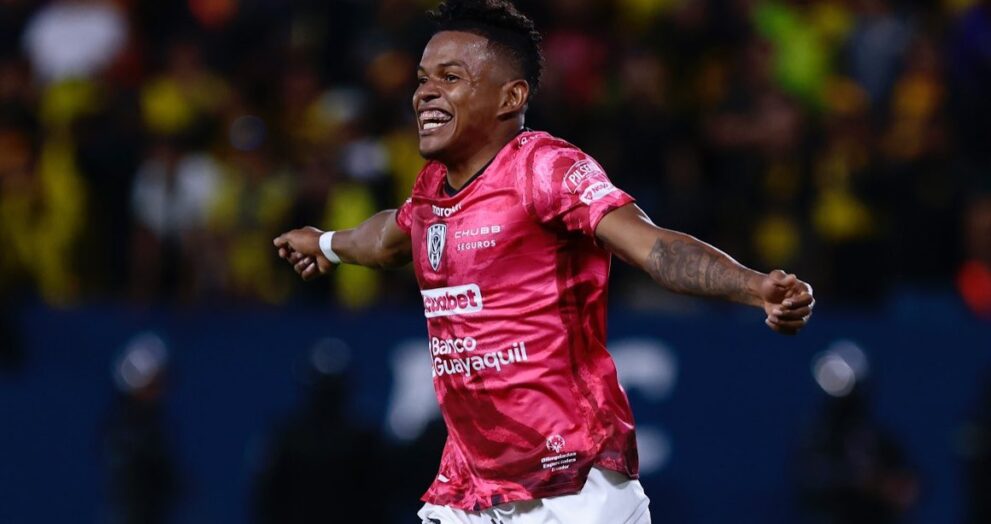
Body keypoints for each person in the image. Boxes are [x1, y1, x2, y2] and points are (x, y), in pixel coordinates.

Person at [273, 1, 815, 522]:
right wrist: (326, 244)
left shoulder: (544, 169)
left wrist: (753, 287)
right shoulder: (434, 188)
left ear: (510, 96)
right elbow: (390, 237)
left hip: (573, 488)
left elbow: (651, 246)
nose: (425, 94)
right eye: (422, 79)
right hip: (469, 490)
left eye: (450, 77)